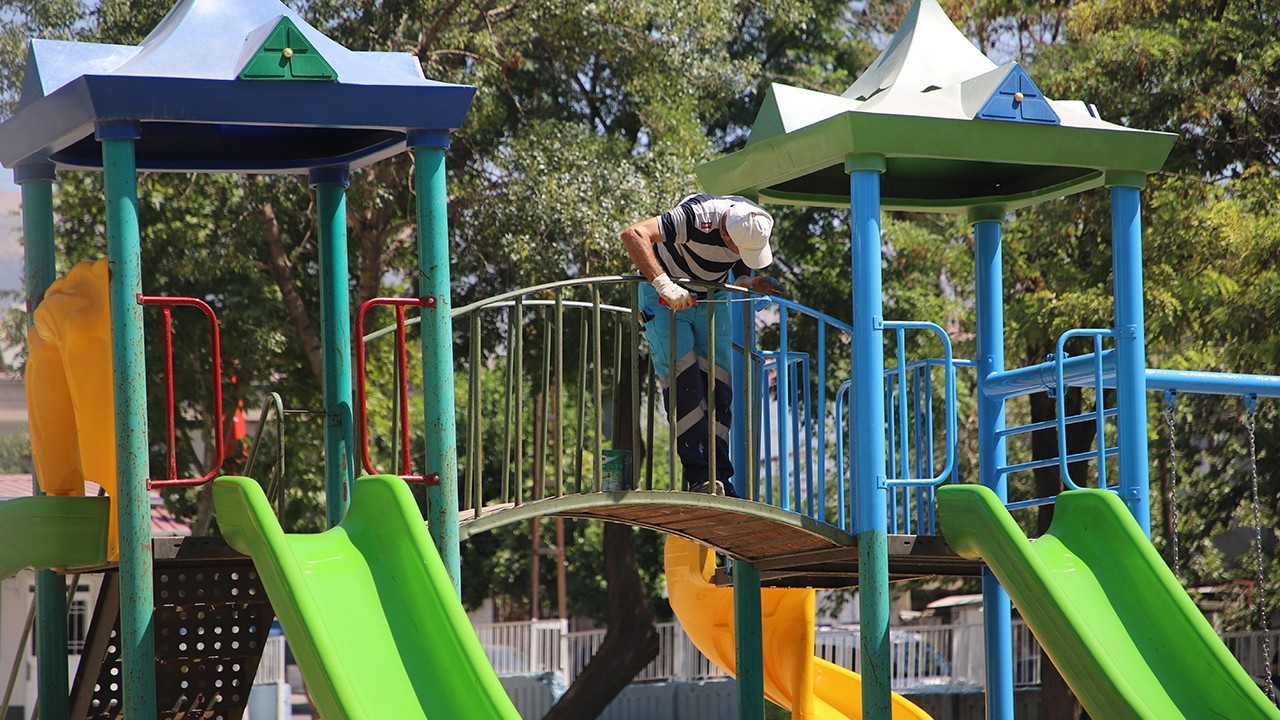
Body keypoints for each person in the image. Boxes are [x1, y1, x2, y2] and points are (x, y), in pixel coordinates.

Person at [621, 193, 778, 498]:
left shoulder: (750, 217)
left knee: (719, 386)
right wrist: (665, 285)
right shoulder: (697, 217)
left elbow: (740, 257)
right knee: (686, 382)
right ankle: (701, 478)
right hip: (665, 298)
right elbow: (634, 234)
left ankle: (721, 478)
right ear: (724, 235)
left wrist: (745, 280)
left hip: (710, 296)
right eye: (741, 249)